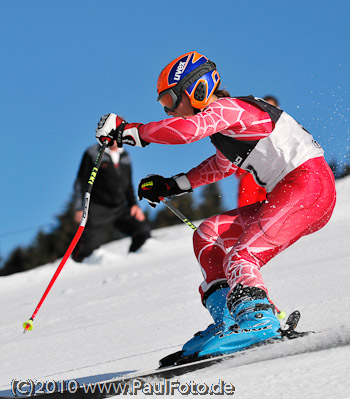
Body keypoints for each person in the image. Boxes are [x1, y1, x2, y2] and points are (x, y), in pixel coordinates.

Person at [94, 51, 336, 360]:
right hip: (287, 193)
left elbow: (187, 131)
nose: (168, 111)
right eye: (163, 105)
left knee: (243, 254)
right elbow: (220, 166)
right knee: (207, 234)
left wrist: (133, 131)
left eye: (169, 101)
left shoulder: (230, 109)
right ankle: (230, 320)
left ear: (195, 89)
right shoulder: (227, 129)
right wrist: (172, 185)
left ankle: (259, 320)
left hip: (308, 186)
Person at [71, 141, 151, 262]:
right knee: (86, 248)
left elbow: (128, 184)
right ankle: (74, 268)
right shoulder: (92, 153)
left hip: (120, 208)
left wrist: (134, 205)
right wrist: (79, 208)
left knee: (143, 231)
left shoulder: (125, 155)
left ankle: (134, 262)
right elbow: (81, 181)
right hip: (98, 209)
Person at [234, 95, 279, 207]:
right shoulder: (252, 125)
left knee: (269, 211)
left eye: (271, 107)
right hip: (250, 174)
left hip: (272, 176)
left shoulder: (281, 130)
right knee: (247, 212)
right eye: (266, 106)